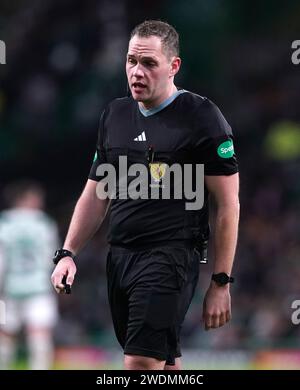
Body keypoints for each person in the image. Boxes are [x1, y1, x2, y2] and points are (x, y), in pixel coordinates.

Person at [51, 20, 240, 370]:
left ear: (173, 66)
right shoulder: (115, 114)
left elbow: (228, 205)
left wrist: (220, 282)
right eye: (131, 61)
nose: (137, 71)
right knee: (164, 364)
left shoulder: (201, 117)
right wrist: (67, 253)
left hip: (171, 256)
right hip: (120, 257)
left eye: (149, 63)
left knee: (139, 362)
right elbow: (96, 193)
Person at [0, 180, 59, 370]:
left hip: (8, 288)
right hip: (39, 287)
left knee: (5, 334)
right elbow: (51, 257)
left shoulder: (4, 223)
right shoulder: (44, 223)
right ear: (26, 198)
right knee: (40, 334)